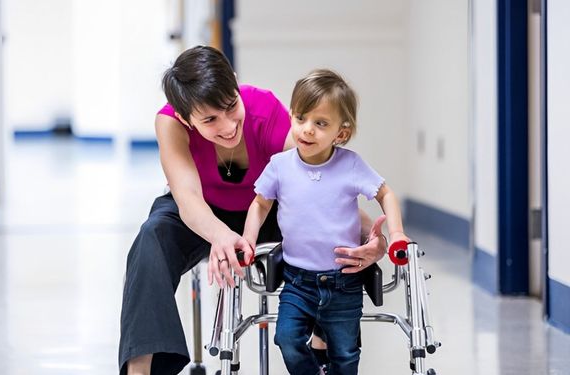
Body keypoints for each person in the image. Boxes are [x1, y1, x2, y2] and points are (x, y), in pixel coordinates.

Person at [119, 46, 388, 375]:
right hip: (201, 212)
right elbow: (187, 198)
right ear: (184, 118)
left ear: (234, 82)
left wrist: (370, 234)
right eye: (210, 120)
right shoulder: (169, 123)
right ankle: (140, 369)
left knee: (325, 223)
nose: (229, 125)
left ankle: (322, 340)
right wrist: (221, 236)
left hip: (264, 210)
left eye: (232, 106)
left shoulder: (264, 108)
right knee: (151, 237)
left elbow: (322, 186)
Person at [242, 68, 410, 374]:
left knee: (345, 354)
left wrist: (396, 233)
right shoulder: (280, 166)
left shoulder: (351, 165)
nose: (307, 129)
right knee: (287, 339)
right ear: (291, 115)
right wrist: (248, 241)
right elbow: (259, 205)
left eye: (320, 124)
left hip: (344, 280)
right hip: (297, 280)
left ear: (340, 133)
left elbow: (386, 194)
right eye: (301, 118)